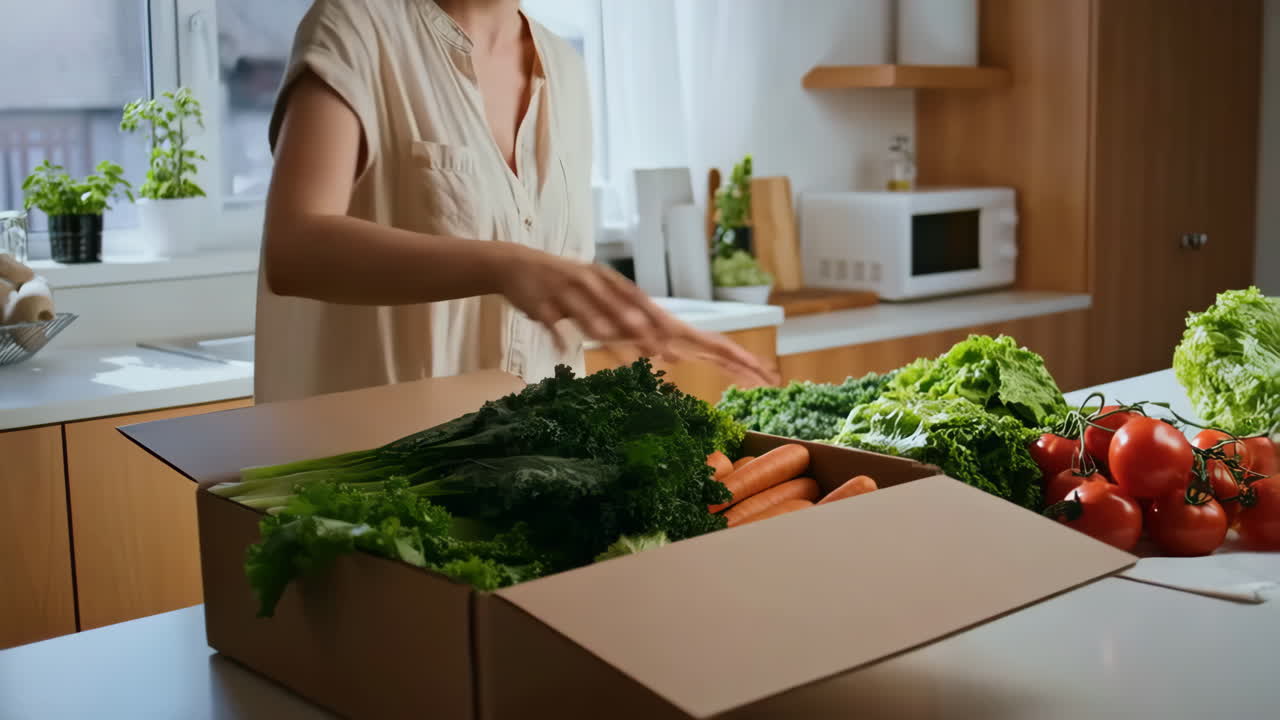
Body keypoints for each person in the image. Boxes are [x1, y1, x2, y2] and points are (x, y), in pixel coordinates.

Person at [255, 0, 776, 403]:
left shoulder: (565, 69)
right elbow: (295, 247)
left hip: (517, 479)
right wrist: (507, 265)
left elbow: (544, 281)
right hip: (367, 478)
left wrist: (624, 312)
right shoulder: (356, 29)